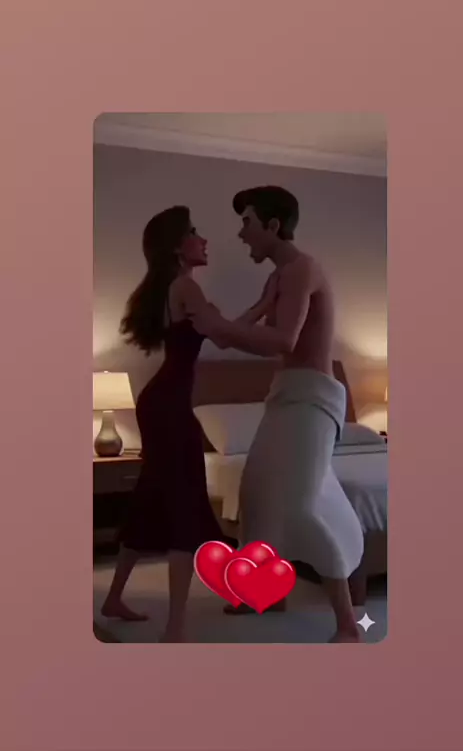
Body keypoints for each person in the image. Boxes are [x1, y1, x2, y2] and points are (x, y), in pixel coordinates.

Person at [191, 186, 365, 643]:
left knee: (300, 504)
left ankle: (348, 624)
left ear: (272, 225)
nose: (242, 233)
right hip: (287, 395)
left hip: (312, 400)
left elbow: (284, 339)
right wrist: (214, 326)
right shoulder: (279, 277)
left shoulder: (303, 269)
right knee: (256, 492)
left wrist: (221, 328)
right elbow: (244, 329)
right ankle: (266, 592)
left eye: (247, 223)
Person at [100, 206, 260, 643]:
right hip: (169, 406)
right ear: (176, 246)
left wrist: (260, 308)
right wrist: (267, 306)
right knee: (183, 507)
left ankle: (114, 599)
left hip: (161, 402)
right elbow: (228, 335)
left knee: (152, 500)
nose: (203, 240)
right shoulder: (186, 287)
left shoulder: (177, 288)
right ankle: (175, 627)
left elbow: (224, 332)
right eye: (194, 232)